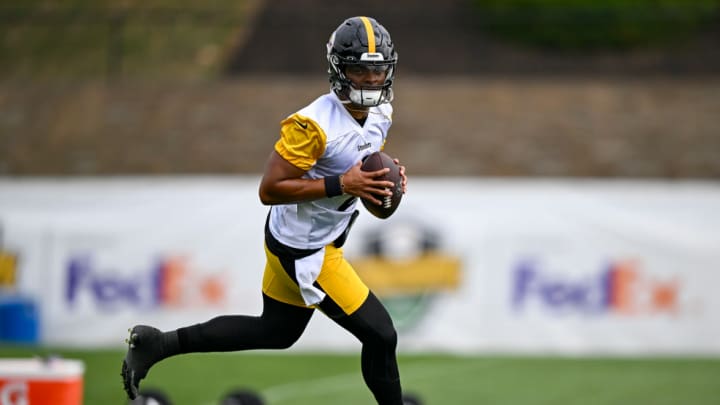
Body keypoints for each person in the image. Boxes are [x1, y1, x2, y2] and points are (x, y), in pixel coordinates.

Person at [121, 15, 408, 405]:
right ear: (339, 69)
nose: (371, 81)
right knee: (381, 334)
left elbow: (362, 164)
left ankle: (158, 345)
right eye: (359, 69)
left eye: (377, 71)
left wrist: (384, 181)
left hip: (299, 237)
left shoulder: (381, 113)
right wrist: (345, 184)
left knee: (276, 332)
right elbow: (269, 189)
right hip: (306, 251)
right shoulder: (312, 125)